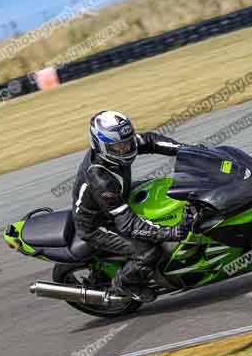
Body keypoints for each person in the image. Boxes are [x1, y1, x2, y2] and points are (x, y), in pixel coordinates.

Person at [71, 110, 195, 303]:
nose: (126, 149)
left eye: (127, 142)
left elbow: (151, 140)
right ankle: (125, 283)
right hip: (97, 225)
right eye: (118, 147)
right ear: (101, 146)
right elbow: (129, 225)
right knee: (148, 251)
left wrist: (190, 151)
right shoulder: (101, 180)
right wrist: (171, 232)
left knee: (167, 189)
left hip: (118, 199)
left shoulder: (121, 144)